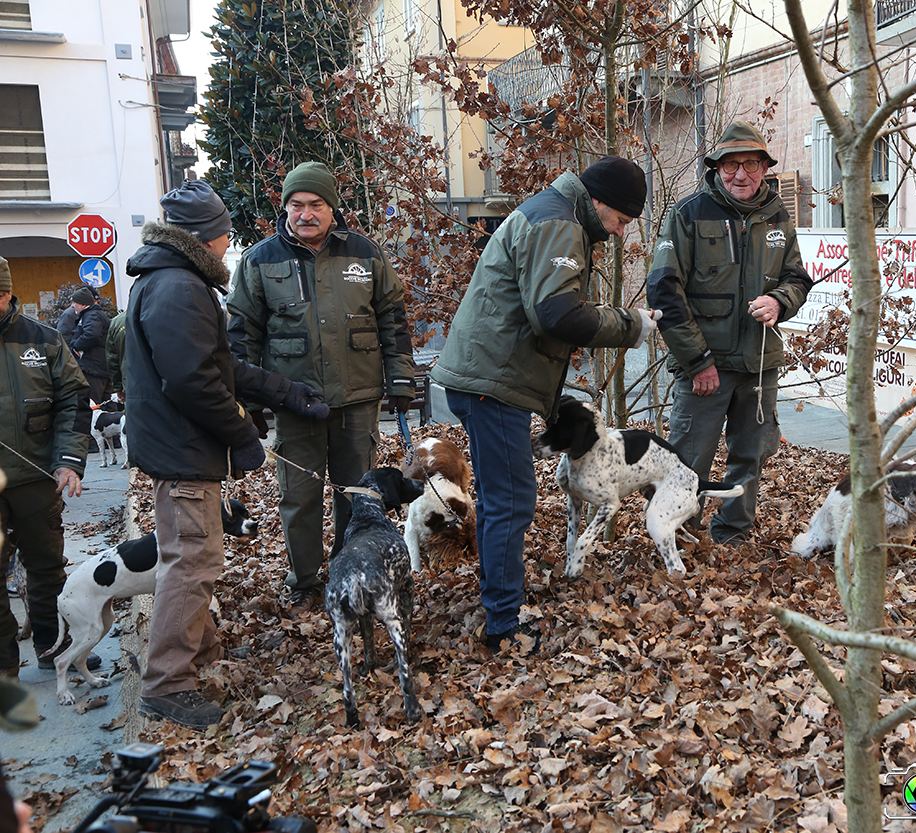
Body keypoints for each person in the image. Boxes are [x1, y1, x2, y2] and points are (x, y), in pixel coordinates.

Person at [430, 156, 660, 653]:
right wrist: (630, 325)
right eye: (620, 221)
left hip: (487, 376)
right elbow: (556, 314)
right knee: (512, 500)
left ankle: (498, 604)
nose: (620, 234)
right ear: (600, 203)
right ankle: (504, 626)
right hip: (494, 382)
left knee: (497, 499)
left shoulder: (553, 212)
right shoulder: (560, 223)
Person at [126, 179, 331, 728]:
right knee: (192, 562)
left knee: (192, 556)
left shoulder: (174, 280)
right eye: (222, 235)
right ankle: (168, 682)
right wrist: (242, 434)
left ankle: (203, 653)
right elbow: (193, 380)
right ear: (203, 238)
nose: (226, 245)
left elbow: (220, 366)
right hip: (183, 448)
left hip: (178, 443)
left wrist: (284, 391)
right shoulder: (178, 288)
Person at [227, 161, 417, 614]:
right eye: (296, 205)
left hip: (357, 400)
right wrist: (249, 401)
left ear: (332, 208)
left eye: (315, 205)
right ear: (285, 208)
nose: (306, 214)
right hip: (293, 403)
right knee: (299, 496)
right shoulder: (260, 260)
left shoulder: (365, 254)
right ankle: (305, 582)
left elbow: (392, 318)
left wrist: (402, 378)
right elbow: (241, 334)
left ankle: (350, 571)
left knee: (357, 494)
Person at [646, 122, 813, 546]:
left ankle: (732, 535)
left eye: (751, 164)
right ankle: (680, 538)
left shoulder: (778, 214)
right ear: (717, 168)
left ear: (764, 167)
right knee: (687, 461)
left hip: (758, 365)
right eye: (731, 165)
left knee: (751, 457)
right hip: (705, 368)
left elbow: (797, 278)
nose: (742, 174)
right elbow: (664, 290)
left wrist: (779, 302)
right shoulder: (689, 213)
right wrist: (697, 361)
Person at [0, 256, 97, 678]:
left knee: (45, 567)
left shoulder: (43, 340)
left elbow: (74, 401)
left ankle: (54, 646)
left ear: (6, 295)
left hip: (36, 478)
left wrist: (70, 462)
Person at [68, 287, 112, 439]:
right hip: (102, 367)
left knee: (92, 404)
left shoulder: (91, 316)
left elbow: (91, 335)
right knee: (107, 404)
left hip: (94, 368)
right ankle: (114, 439)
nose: (72, 305)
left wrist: (76, 346)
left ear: (82, 303)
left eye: (74, 302)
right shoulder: (93, 315)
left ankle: (92, 441)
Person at [105, 310, 126, 401]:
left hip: (131, 384)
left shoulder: (117, 322)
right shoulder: (160, 315)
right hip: (159, 384)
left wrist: (118, 387)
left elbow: (113, 359)